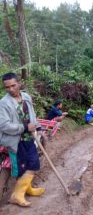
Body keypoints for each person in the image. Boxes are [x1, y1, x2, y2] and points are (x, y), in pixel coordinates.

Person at [0, 72, 46, 207]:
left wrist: (38, 128)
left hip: (29, 138)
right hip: (15, 141)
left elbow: (32, 116)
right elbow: (4, 125)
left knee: (33, 164)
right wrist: (25, 127)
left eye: (13, 85)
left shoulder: (26, 97)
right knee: (21, 167)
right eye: (7, 87)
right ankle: (16, 195)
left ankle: (27, 189)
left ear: (19, 83)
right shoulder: (3, 103)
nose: (11, 89)